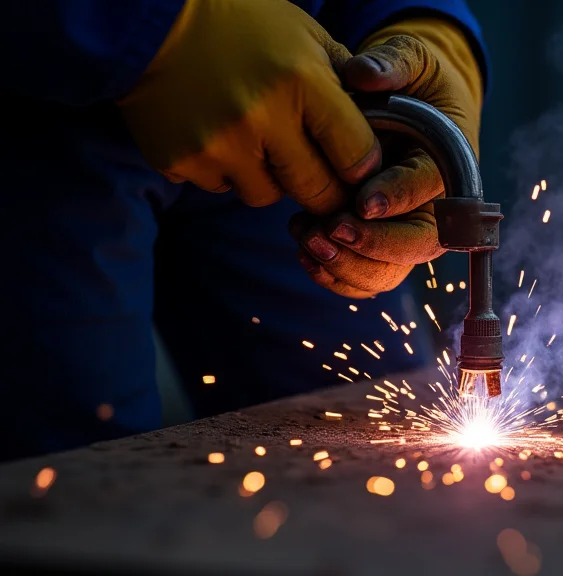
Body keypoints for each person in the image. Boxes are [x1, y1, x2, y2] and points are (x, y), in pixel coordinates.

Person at [0, 0, 485, 461]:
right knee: (70, 457)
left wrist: (419, 21)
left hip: (277, 99)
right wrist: (158, 24)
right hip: (42, 104)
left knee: (365, 413)